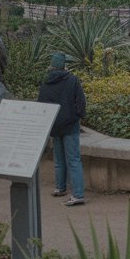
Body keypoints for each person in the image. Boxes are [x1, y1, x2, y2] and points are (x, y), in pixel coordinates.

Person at [37, 52, 87, 207]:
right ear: (64, 66)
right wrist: (78, 117)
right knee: (73, 160)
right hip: (70, 124)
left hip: (54, 124)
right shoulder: (72, 80)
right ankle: (78, 194)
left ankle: (60, 187)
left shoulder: (46, 82)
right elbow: (80, 102)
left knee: (58, 159)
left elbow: (41, 104)